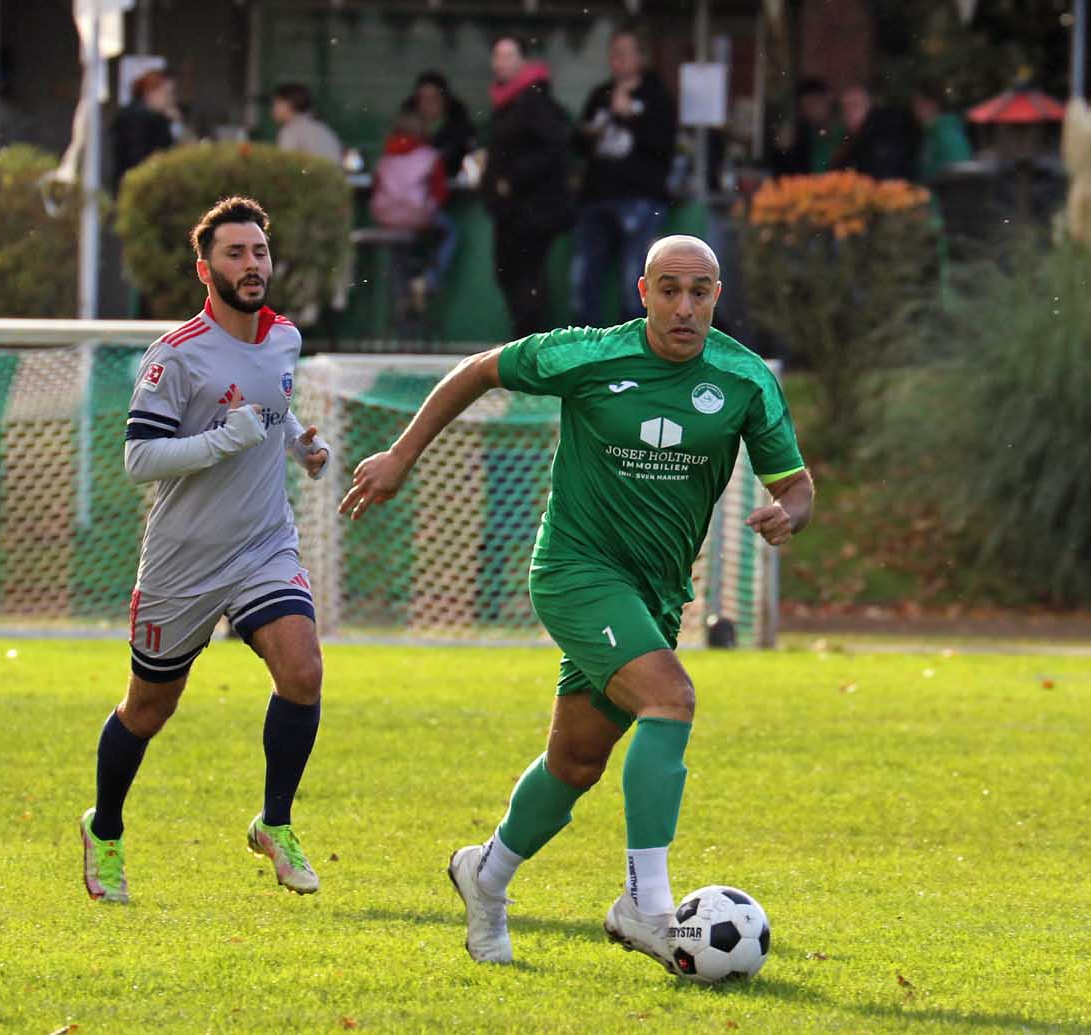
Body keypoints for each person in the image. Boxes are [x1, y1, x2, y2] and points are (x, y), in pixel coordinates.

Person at [339, 235, 814, 970]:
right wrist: (402, 455)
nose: (685, 306)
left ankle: (485, 873)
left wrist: (793, 509)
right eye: (670, 289)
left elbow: (796, 482)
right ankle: (646, 905)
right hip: (574, 570)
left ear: (718, 294)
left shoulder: (745, 379)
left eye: (701, 291)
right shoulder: (589, 354)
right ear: (643, 290)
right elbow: (480, 369)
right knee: (671, 699)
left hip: (654, 594)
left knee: (577, 760)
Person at [79, 196, 332, 904]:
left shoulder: (284, 338)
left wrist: (300, 442)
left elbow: (271, 410)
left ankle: (274, 823)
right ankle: (105, 827)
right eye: (235, 254)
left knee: (303, 670)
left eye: (259, 252)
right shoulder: (176, 355)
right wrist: (224, 439)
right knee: (147, 708)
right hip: (183, 561)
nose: (252, 265)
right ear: (205, 268)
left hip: (262, 544)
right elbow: (138, 458)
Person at [570, 29, 677, 327]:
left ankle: (631, 354)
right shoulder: (600, 94)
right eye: (613, 52)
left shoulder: (656, 97)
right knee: (583, 282)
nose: (618, 59)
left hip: (639, 198)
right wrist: (594, 131)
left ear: (641, 57)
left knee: (635, 284)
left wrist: (628, 117)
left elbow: (662, 146)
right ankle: (584, 356)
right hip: (596, 197)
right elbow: (577, 143)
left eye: (625, 52)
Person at [481, 36, 576, 339]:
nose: (500, 64)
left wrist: (512, 179)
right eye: (497, 56)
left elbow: (553, 151)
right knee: (509, 273)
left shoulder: (534, 102)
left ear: (522, 61)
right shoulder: (508, 102)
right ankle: (524, 341)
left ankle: (528, 342)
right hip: (512, 212)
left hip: (533, 211)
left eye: (508, 56)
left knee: (524, 277)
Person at [369, 110, 452, 323]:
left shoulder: (386, 156)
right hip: (419, 219)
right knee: (450, 232)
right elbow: (440, 193)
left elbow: (375, 188)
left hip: (387, 221)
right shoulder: (429, 156)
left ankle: (400, 301)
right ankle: (428, 279)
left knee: (398, 256)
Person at [112, 69, 184, 187]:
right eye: (167, 94)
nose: (170, 99)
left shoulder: (129, 114)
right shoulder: (150, 120)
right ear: (151, 93)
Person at [406, 71, 478, 183]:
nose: (427, 104)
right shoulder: (406, 131)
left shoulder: (460, 131)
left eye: (433, 98)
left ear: (444, 100)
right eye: (423, 98)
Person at [830, 85, 909, 181]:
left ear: (870, 106)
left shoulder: (883, 135)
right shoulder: (851, 138)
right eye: (845, 107)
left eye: (854, 105)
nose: (848, 112)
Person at [767, 78, 839, 177]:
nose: (811, 111)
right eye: (806, 107)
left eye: (814, 104)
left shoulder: (846, 130)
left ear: (829, 98)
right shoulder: (804, 135)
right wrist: (782, 150)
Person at [910, 82, 972, 183]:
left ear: (932, 103)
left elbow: (960, 180)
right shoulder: (932, 135)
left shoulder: (948, 136)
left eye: (917, 103)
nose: (914, 110)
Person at [271, 83, 344, 163]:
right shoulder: (321, 128)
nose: (273, 108)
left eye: (277, 103)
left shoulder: (291, 130)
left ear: (289, 104)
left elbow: (284, 166)